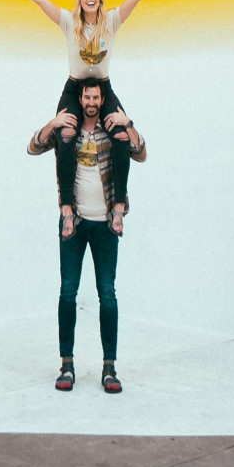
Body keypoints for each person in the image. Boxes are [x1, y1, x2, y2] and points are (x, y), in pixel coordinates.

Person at [0, 0, 174, 233]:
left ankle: (117, 207)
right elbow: (41, 1)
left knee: (120, 134)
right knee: (66, 135)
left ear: (100, 0)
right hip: (74, 88)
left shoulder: (112, 21)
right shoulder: (68, 23)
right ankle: (67, 208)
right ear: (79, 1)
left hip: (102, 88)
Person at [28, 79, 144, 393]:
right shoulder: (69, 129)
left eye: (96, 97)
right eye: (87, 96)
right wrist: (52, 122)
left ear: (101, 99)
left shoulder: (113, 130)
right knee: (68, 293)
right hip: (75, 224)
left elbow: (141, 152)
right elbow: (33, 147)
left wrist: (127, 122)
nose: (91, 101)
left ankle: (110, 368)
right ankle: (66, 364)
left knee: (107, 294)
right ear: (79, 98)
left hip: (106, 224)